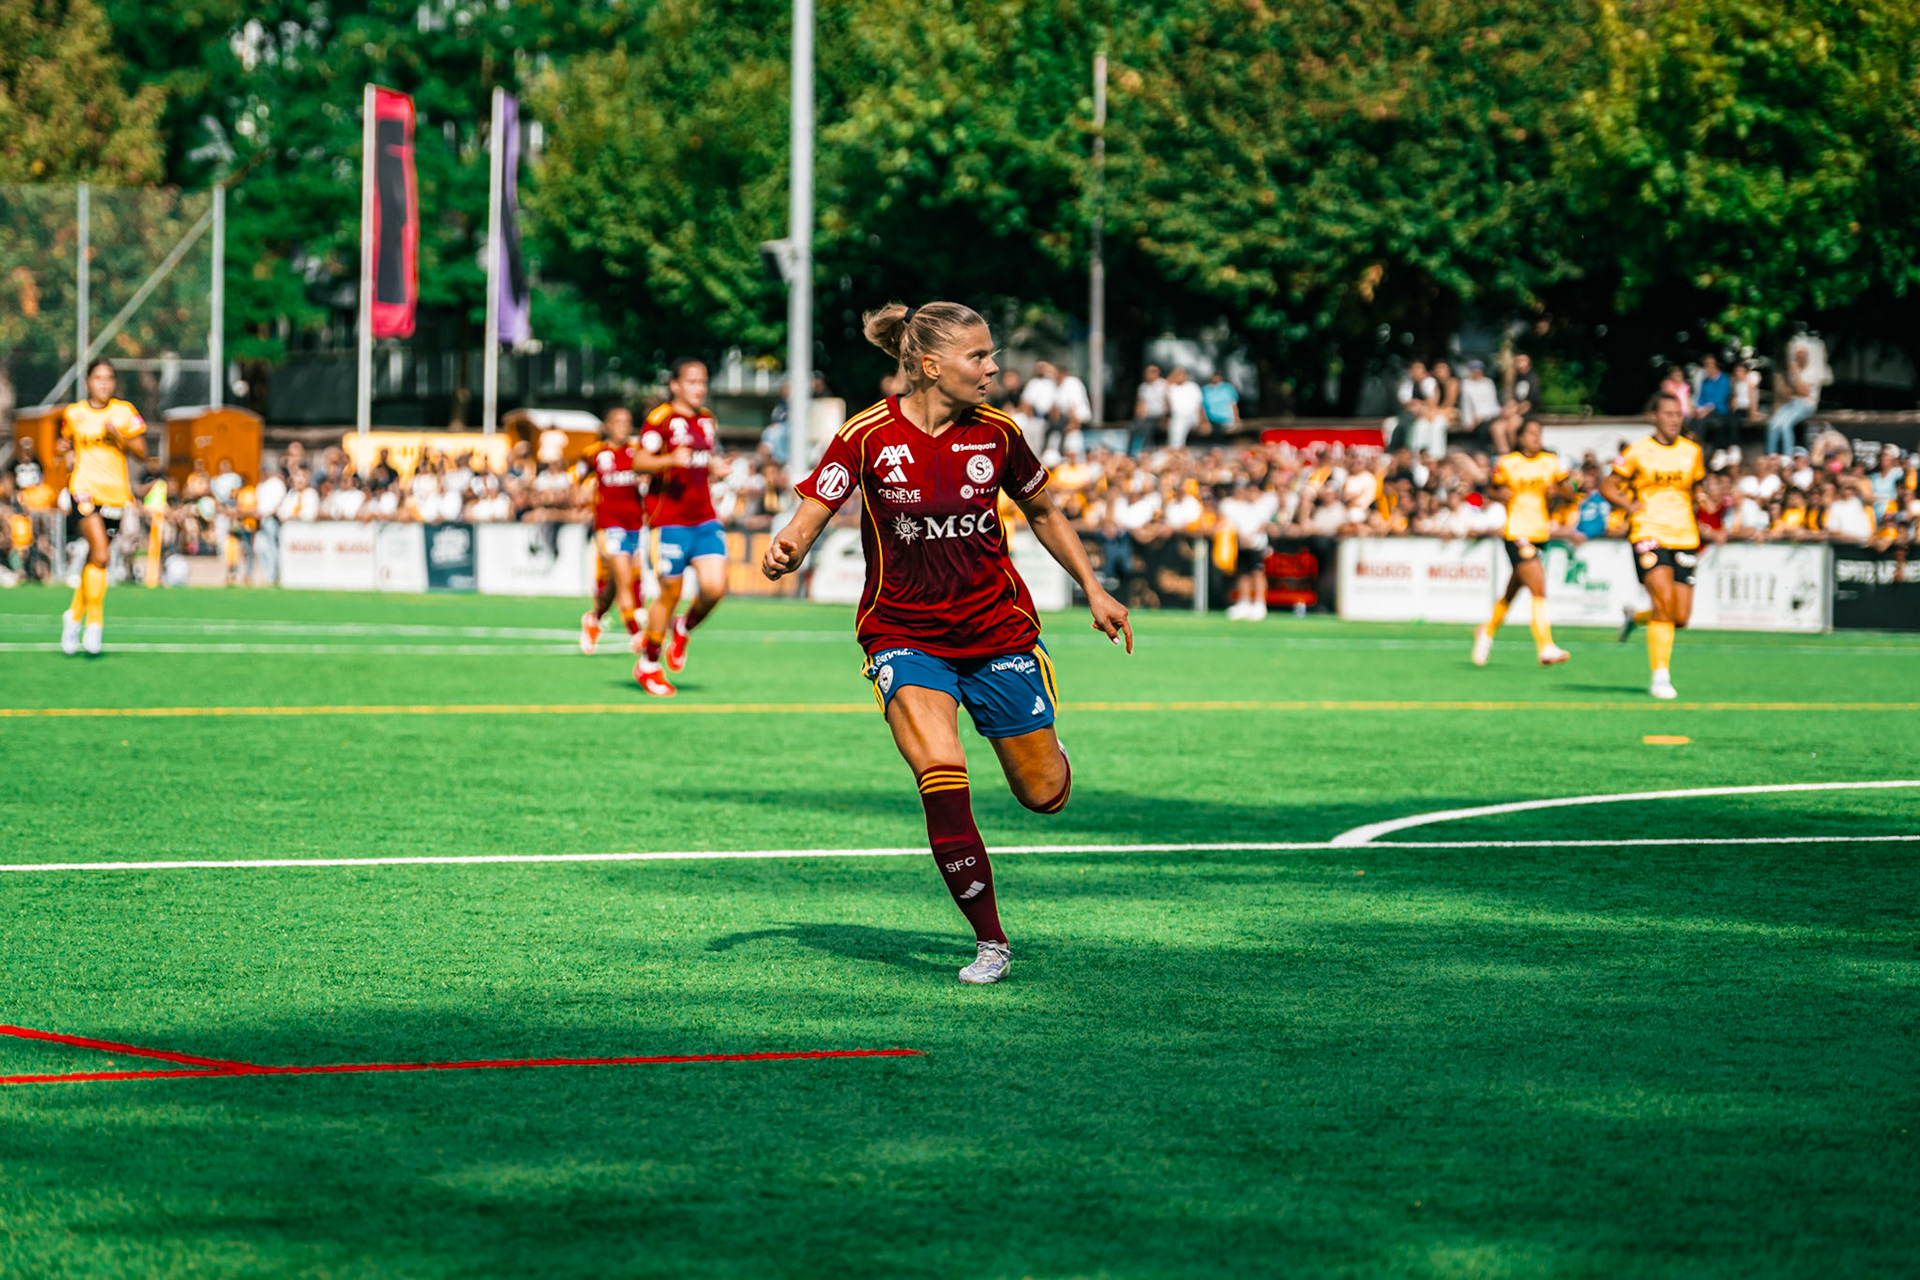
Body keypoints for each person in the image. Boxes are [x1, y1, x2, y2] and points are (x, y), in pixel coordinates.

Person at [762, 301, 1132, 985]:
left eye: (992, 356)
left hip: (996, 631)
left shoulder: (998, 433)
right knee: (940, 768)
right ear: (931, 366)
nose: (994, 369)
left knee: (1044, 794)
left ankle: (1044, 740)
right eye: (979, 357)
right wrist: (788, 545)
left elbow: (1045, 511)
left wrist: (1095, 588)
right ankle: (991, 940)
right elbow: (814, 509)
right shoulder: (866, 435)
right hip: (902, 633)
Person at [1604, 393, 1706, 700]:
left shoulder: (1692, 452)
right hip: (1649, 533)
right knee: (1663, 602)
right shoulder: (1637, 452)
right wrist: (1628, 505)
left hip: (1685, 536)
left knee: (1680, 617)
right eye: (1669, 414)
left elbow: (1695, 488)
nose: (1675, 419)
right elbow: (1607, 485)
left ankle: (1635, 617)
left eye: (1679, 414)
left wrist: (1702, 502)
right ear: (1654, 417)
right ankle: (1660, 676)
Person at [634, 360, 725, 696]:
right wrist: (668, 461)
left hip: (704, 517)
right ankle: (649, 664)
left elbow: (701, 463)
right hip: (668, 521)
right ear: (675, 384)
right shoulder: (661, 419)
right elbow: (638, 461)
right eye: (691, 381)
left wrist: (716, 467)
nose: (698, 388)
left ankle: (683, 627)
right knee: (669, 593)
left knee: (715, 588)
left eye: (702, 381)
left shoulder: (706, 420)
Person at [55, 358, 146, 655]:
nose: (104, 383)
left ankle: (74, 616)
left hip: (115, 494)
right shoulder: (74, 413)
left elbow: (143, 452)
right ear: (87, 382)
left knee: (96, 559)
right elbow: (61, 444)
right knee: (103, 555)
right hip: (83, 491)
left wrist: (118, 435)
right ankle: (94, 624)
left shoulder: (125, 412)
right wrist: (63, 452)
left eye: (109, 378)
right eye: (98, 378)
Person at [1473, 419, 1572, 668]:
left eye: (1539, 433)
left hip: (1540, 533)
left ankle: (1486, 631)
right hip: (1517, 532)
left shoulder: (1551, 462)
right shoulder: (1508, 463)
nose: (1536, 438)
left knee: (1512, 590)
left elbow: (1570, 492)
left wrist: (1557, 493)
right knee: (1538, 587)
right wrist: (1502, 495)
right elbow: (1492, 491)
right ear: (1520, 438)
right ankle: (1546, 646)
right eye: (1531, 433)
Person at [579, 407, 677, 656]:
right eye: (618, 421)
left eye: (627, 421)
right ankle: (636, 634)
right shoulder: (594, 453)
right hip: (608, 525)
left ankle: (594, 618)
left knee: (622, 580)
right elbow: (576, 480)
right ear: (607, 425)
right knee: (623, 578)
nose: (624, 426)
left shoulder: (637, 452)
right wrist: (580, 499)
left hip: (635, 523)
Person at [1767, 348, 1819, 456]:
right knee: (1772, 424)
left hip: (1806, 405)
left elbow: (1803, 391)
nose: (1797, 360)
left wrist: (1795, 374)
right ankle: (1771, 455)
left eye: (1800, 357)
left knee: (1785, 426)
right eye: (1796, 357)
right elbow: (1789, 392)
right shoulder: (1795, 371)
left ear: (1805, 357)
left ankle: (1787, 456)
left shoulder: (1811, 371)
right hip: (1793, 402)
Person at [1130, 364, 1169, 456]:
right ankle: (1131, 454)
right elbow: (1140, 404)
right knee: (1133, 428)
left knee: (1148, 428)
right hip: (1147, 416)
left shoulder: (1164, 385)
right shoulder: (1143, 387)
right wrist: (1139, 416)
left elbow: (1168, 402)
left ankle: (1146, 453)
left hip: (1160, 415)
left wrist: (1166, 416)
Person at [1165, 367, 1203, 448]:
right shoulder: (1172, 388)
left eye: (1179, 374)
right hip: (1176, 417)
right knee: (1177, 421)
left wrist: (1201, 420)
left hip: (1191, 416)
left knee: (1179, 422)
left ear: (1185, 375)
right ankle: (1175, 448)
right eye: (1175, 375)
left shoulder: (1193, 387)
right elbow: (1168, 406)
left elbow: (1199, 406)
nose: (1177, 376)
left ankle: (1175, 448)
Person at [1200, 371, 1241, 436]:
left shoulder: (1228, 388)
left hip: (1227, 419)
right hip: (1211, 420)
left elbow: (1233, 404)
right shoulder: (1205, 390)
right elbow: (1202, 407)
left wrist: (1237, 418)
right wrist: (1203, 421)